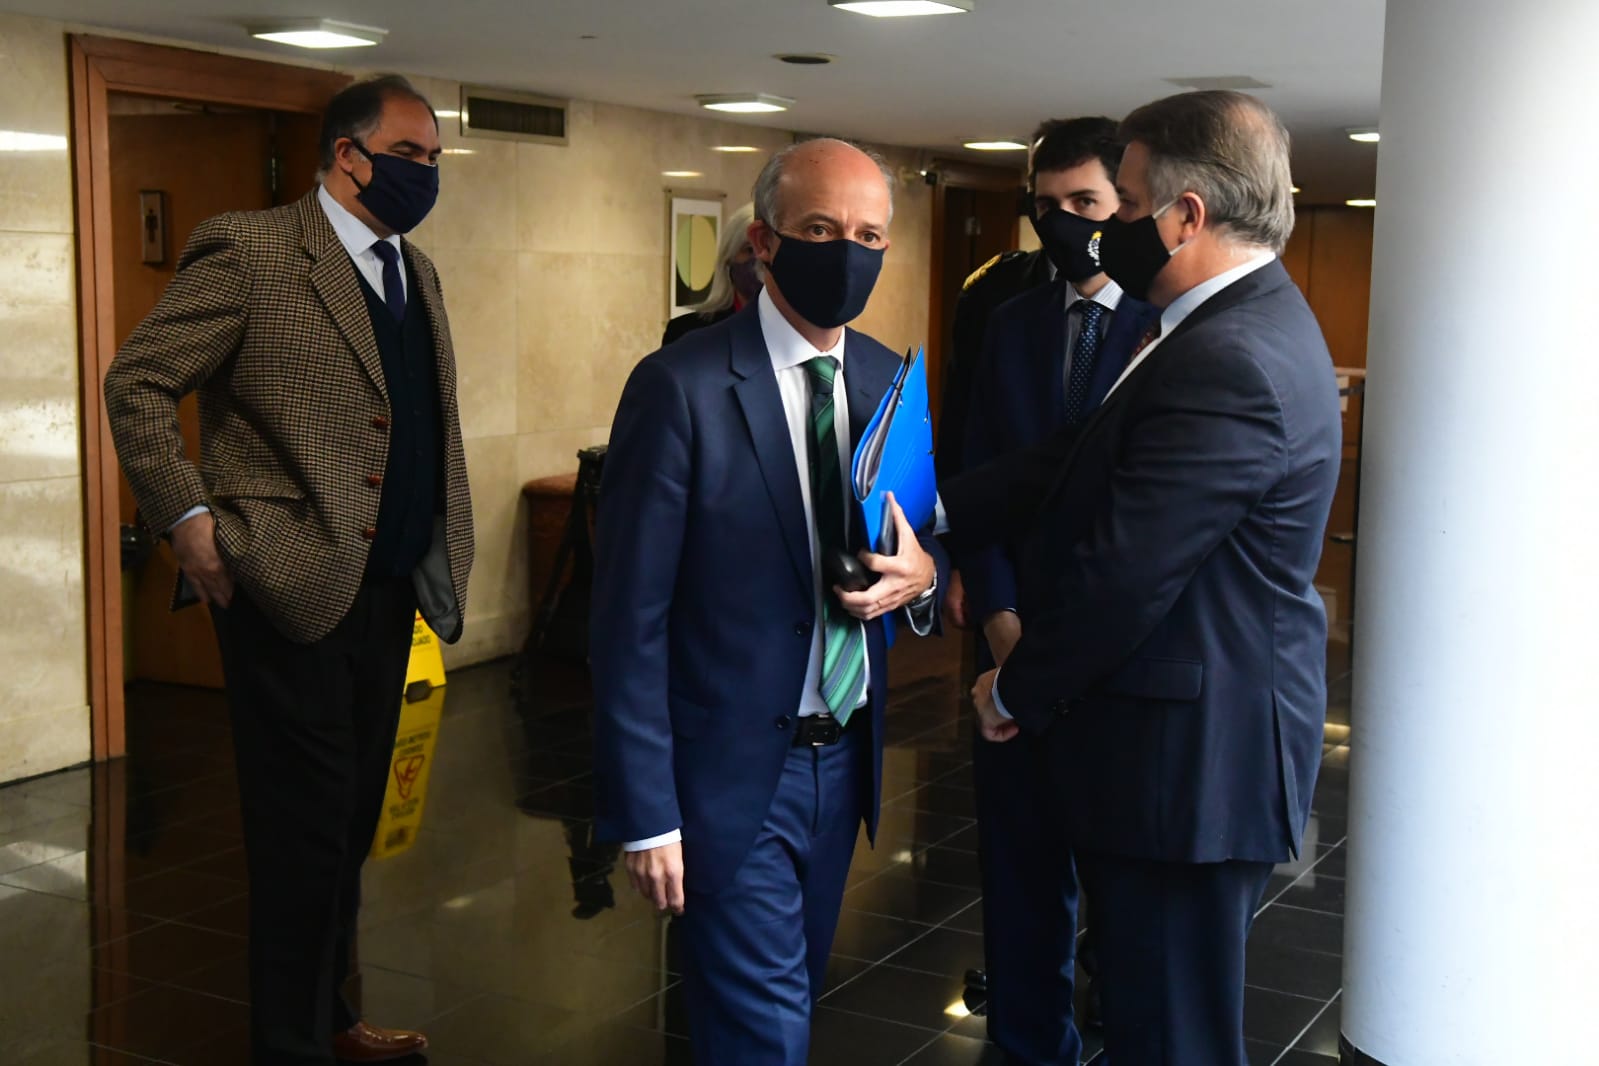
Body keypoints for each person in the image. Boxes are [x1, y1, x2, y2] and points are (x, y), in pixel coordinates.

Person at [940, 90, 1341, 1065]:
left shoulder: (1232, 355)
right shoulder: (1216, 329)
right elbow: (1073, 456)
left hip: (1188, 772)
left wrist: (1016, 688)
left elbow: (1127, 575)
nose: (1107, 229)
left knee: (1171, 1040)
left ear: (1187, 215)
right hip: (1174, 758)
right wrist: (932, 517)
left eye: (1122, 204)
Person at [104, 75, 474, 1066]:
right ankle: (290, 1044)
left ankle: (334, 1018)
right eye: (411, 153)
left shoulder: (416, 271)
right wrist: (186, 518)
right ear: (348, 154)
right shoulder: (255, 249)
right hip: (281, 582)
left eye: (436, 158)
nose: (426, 173)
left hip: (389, 586)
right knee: (301, 831)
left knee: (352, 821)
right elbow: (136, 382)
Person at [592, 137, 948, 1066]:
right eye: (821, 229)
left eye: (868, 234)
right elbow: (627, 617)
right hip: (726, 773)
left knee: (780, 1004)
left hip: (844, 760)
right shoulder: (680, 388)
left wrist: (925, 578)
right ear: (763, 240)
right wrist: (645, 811)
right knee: (761, 1029)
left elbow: (921, 536)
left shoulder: (885, 381)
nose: (848, 252)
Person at [958, 116, 1159, 1065]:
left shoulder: (1168, 329)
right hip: (1010, 642)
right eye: (1046, 208)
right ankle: (1030, 1045)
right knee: (1020, 873)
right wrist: (999, 623)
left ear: (1127, 205)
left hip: (1123, 657)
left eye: (1084, 204)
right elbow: (976, 476)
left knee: (1124, 889)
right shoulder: (1007, 325)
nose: (1064, 224)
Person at [662, 201, 762, 345]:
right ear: (728, 260)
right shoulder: (686, 332)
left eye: (767, 250)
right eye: (749, 250)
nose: (758, 260)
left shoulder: (799, 332)